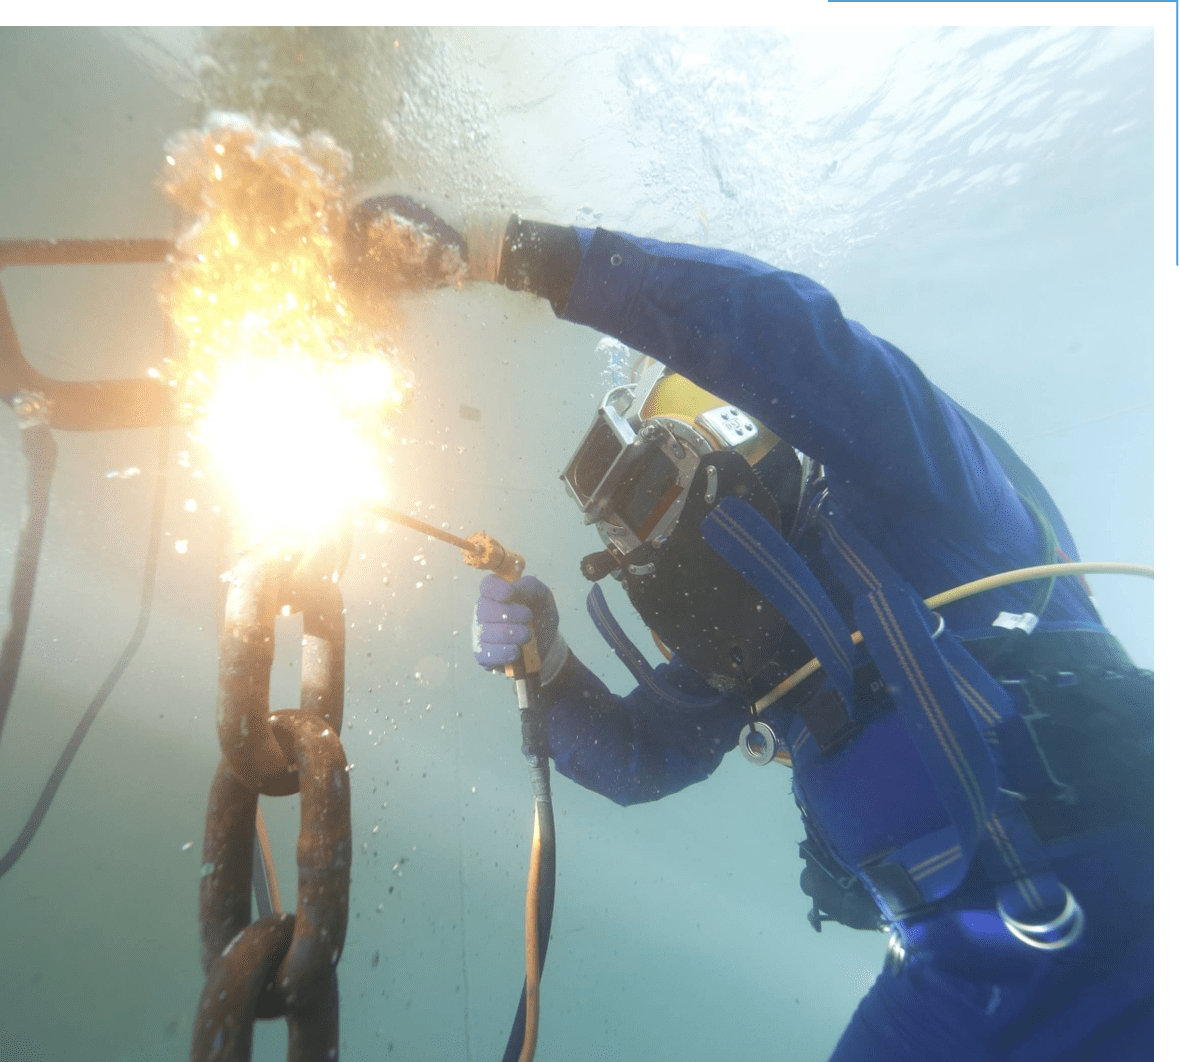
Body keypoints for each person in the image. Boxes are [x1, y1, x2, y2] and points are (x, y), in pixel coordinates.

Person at [348, 197, 1154, 1061]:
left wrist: (522, 253)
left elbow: (796, 343)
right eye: (634, 523)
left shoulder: (923, 492)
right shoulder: (747, 651)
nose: (658, 537)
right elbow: (640, 758)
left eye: (659, 487)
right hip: (952, 970)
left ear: (736, 438)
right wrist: (552, 675)